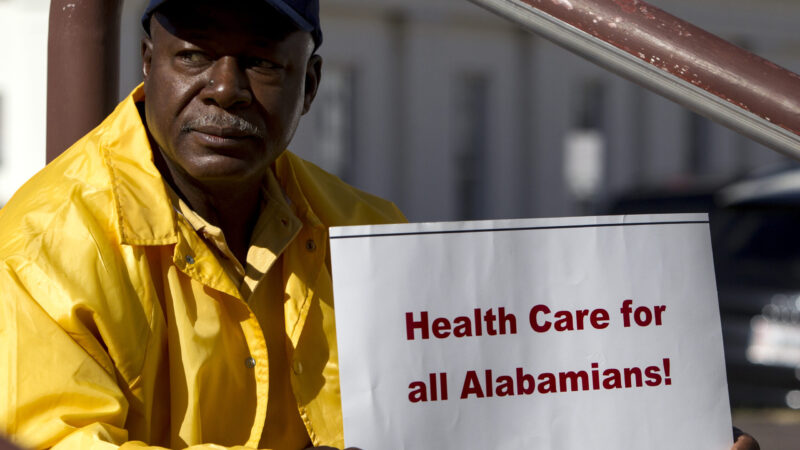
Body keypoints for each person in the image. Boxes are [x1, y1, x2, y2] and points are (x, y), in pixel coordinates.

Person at [0, 0, 760, 449]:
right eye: (194, 53)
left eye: (263, 62)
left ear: (313, 85)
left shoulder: (369, 235)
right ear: (147, 61)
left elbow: (491, 415)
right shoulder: (42, 249)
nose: (224, 89)